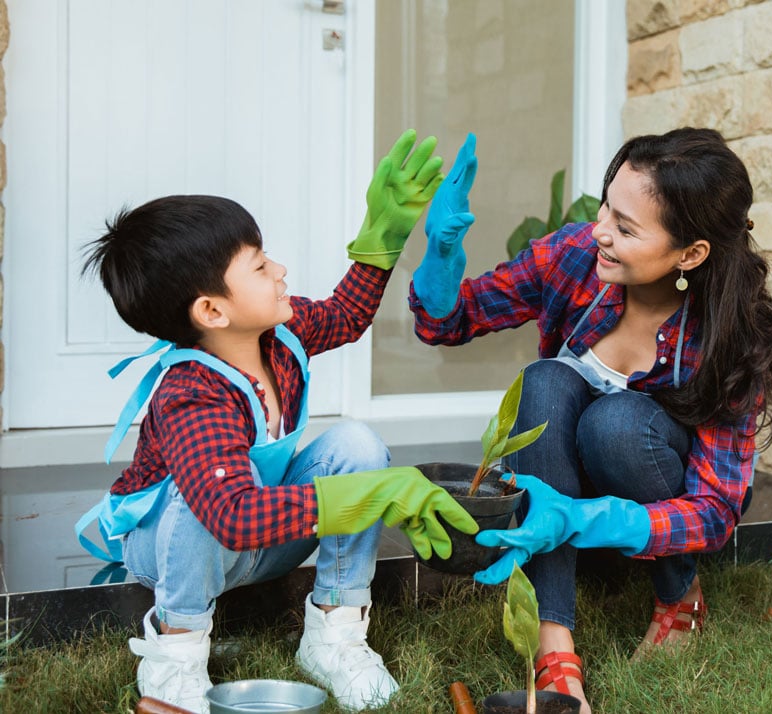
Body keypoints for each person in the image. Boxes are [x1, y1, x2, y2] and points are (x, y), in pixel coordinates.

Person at [75, 130, 479, 713]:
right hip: (180, 547)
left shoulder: (279, 337)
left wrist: (384, 233)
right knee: (200, 499)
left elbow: (346, 314)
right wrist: (371, 495)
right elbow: (230, 515)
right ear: (212, 311)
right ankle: (175, 656)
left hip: (257, 532)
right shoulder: (193, 394)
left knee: (357, 445)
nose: (281, 270)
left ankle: (334, 633)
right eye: (261, 266)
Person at [410, 128, 772, 712]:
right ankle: (554, 651)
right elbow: (448, 322)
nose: (599, 233)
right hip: (557, 473)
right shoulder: (576, 258)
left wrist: (581, 517)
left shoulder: (729, 340)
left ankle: (678, 595)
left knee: (613, 422)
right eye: (607, 207)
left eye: (626, 228)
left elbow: (714, 514)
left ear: (690, 254)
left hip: (643, 481)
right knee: (545, 380)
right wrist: (440, 252)